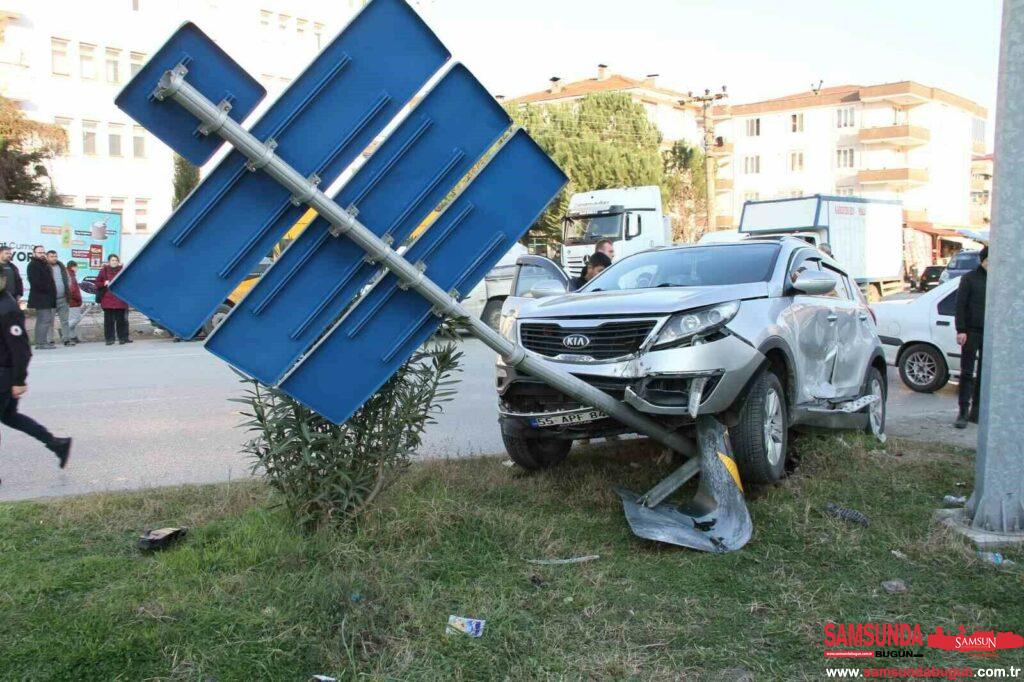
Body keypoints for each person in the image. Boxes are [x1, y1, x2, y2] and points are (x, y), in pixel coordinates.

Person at [0, 270, 72, 480]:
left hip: (4, 374)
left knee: (9, 416)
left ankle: (57, 444)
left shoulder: (7, 309)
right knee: (10, 417)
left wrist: (18, 380)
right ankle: (57, 444)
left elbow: (22, 350)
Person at [953, 246, 988, 429]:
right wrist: (961, 330)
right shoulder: (969, 278)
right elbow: (960, 306)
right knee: (967, 373)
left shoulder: (998, 281)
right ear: (982, 261)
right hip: (971, 331)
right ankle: (963, 412)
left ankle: (977, 412)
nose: (990, 264)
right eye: (987, 261)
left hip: (990, 334)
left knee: (984, 374)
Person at [95, 254, 131, 345]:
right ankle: (109, 339)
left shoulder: (122, 270)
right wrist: (104, 283)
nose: (114, 262)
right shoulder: (104, 270)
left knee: (121, 321)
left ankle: (122, 338)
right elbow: (97, 283)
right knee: (108, 322)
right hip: (107, 300)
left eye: (116, 260)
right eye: (112, 260)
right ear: (109, 261)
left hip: (120, 300)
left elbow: (128, 283)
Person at [26, 245, 57, 350]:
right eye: (39, 252)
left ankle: (41, 342)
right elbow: (36, 282)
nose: (42, 254)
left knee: (43, 320)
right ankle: (41, 343)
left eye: (43, 252)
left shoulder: (44, 264)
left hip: (46, 297)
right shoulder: (33, 265)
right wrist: (48, 288)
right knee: (44, 320)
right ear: (34, 253)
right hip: (41, 297)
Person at [46, 250, 72, 346]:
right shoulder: (45, 268)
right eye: (52, 256)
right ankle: (50, 340)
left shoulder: (61, 267)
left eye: (55, 256)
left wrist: (67, 289)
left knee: (65, 320)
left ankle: (66, 339)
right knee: (50, 321)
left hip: (63, 298)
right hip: (50, 299)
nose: (54, 258)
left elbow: (68, 279)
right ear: (47, 257)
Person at [65, 260, 84, 345]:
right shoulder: (71, 275)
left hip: (70, 301)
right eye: (77, 267)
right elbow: (72, 290)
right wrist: (78, 298)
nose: (77, 269)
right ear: (73, 267)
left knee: (71, 319)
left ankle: (72, 336)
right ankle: (65, 331)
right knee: (76, 319)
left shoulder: (68, 274)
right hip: (73, 302)